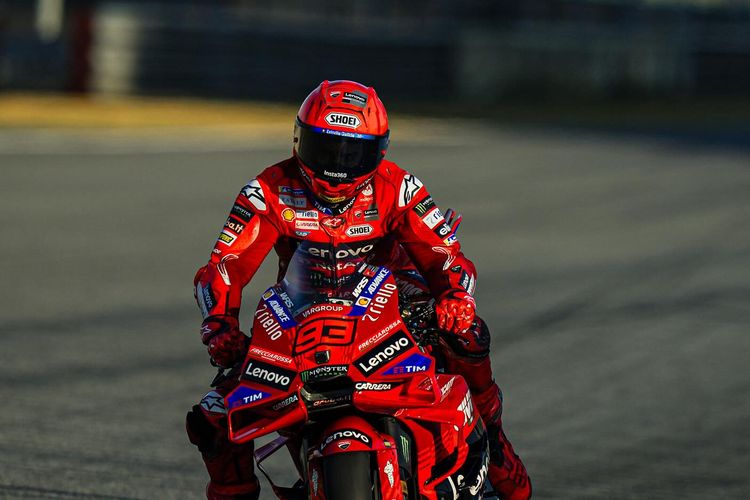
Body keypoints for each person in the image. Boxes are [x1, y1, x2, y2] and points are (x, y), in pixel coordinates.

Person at [186, 80, 531, 500]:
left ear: (378, 153)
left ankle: (493, 438)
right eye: (324, 149)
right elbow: (225, 264)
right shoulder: (268, 190)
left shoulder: (400, 187)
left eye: (352, 154)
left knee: (468, 335)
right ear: (298, 140)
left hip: (394, 308)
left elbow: (445, 254)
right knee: (213, 417)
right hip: (300, 318)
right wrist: (219, 325)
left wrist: (456, 299)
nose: (337, 167)